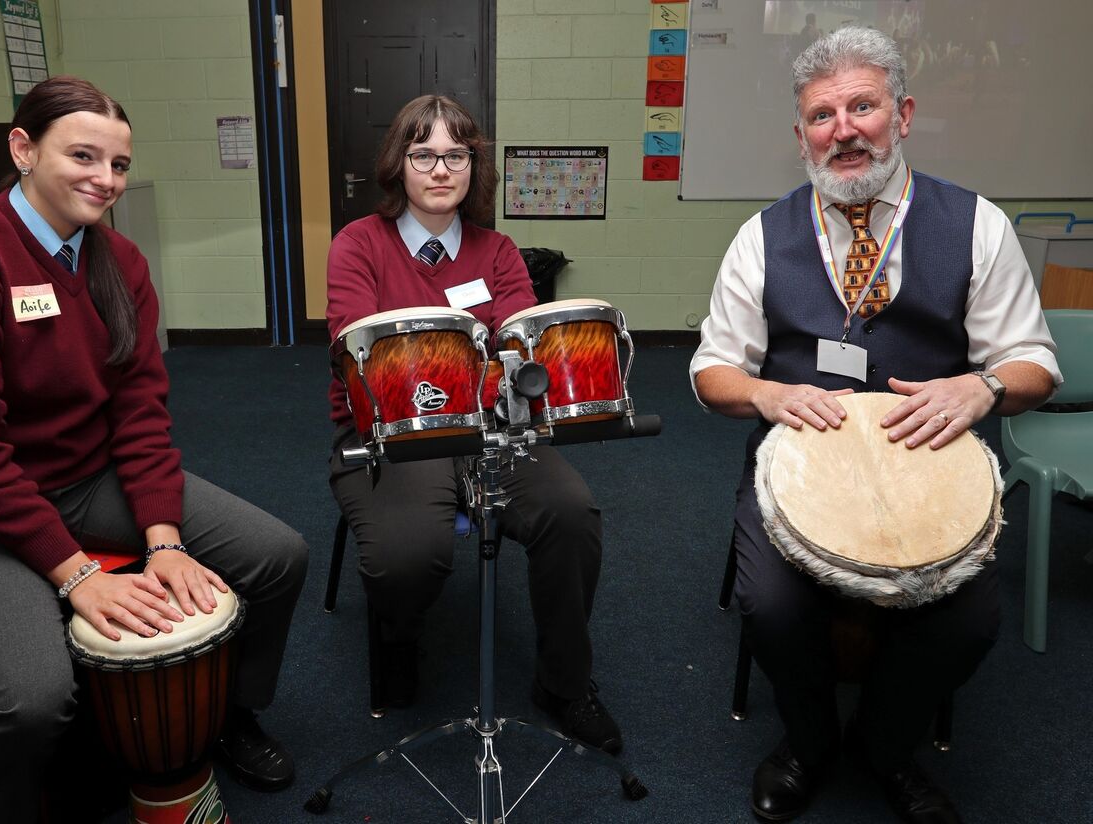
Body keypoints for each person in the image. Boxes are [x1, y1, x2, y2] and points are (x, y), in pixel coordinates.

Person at [0, 77, 308, 822]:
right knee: (31, 699)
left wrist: (165, 540)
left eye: (118, 165)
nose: (106, 181)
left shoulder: (118, 261)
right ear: (22, 149)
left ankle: (230, 716)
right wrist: (78, 574)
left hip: (90, 478)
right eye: (82, 156)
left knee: (277, 555)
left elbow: (140, 414)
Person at [690, 27, 1060, 824]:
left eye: (863, 106)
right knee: (773, 606)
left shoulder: (977, 225)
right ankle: (811, 744)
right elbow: (709, 370)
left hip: (930, 464)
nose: (844, 129)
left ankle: (886, 749)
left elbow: (1036, 362)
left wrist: (983, 385)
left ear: (903, 116)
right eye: (822, 115)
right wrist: (763, 396)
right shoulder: (761, 236)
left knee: (969, 619)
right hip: (803, 467)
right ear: (801, 137)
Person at [326, 94, 622, 754]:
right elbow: (355, 350)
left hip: (493, 426)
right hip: (393, 433)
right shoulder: (359, 244)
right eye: (423, 153)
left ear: (472, 165)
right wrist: (463, 357)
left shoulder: (498, 251)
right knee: (408, 557)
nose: (439, 169)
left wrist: (474, 369)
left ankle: (564, 683)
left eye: (454, 155)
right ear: (398, 164)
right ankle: (399, 638)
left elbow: (518, 345)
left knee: (572, 515)